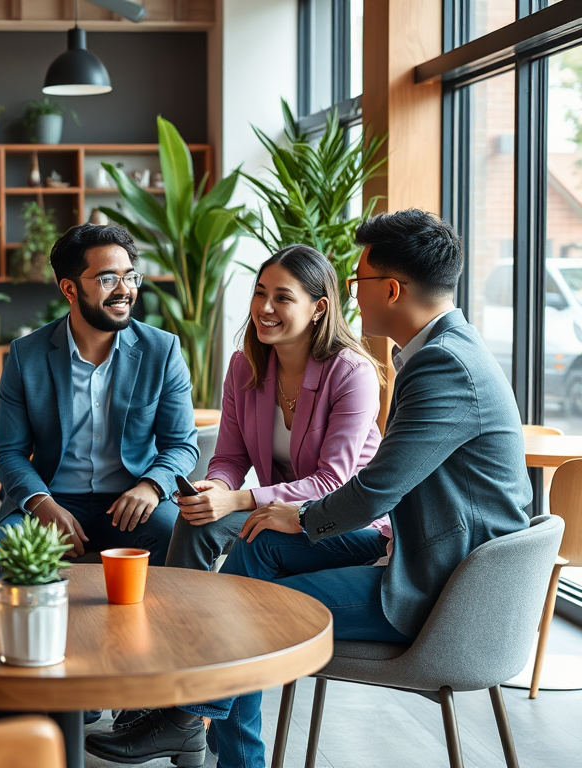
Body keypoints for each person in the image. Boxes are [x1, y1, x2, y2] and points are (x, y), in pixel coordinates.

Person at [86, 210, 532, 768]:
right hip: (426, 558)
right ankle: (186, 715)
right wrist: (249, 503)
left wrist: (286, 512)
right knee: (251, 550)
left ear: (391, 289)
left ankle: (185, 717)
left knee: (243, 610)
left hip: (442, 589)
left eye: (357, 282)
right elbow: (239, 460)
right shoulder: (439, 352)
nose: (354, 295)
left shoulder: (440, 365)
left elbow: (370, 492)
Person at [165, 244, 386, 572]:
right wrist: (218, 488)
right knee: (196, 521)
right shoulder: (244, 366)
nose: (264, 308)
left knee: (259, 538)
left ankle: (223, 621)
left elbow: (332, 483)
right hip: (279, 510)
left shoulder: (352, 374)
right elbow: (230, 458)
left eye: (282, 298)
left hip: (344, 522)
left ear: (318, 308)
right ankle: (178, 617)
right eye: (260, 293)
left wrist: (237, 499)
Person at [0, 223, 198, 566]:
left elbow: (182, 444)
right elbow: (7, 453)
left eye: (130, 277)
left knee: (178, 534)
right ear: (69, 289)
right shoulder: (27, 355)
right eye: (107, 279)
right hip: (52, 496)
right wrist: (41, 502)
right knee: (1, 551)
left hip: (131, 499)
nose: (124, 290)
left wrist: (151, 486)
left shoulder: (162, 350)